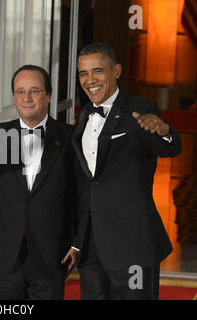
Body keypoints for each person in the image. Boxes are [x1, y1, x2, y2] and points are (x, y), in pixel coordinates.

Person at [71, 42, 182, 300]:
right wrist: (78, 240)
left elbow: (169, 148)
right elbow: (89, 184)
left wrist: (164, 131)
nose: (90, 80)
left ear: (116, 71)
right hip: (92, 247)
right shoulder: (85, 114)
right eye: (83, 73)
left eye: (97, 71)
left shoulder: (140, 109)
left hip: (133, 245)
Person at [0, 65, 78, 300]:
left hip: (51, 252)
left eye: (35, 91)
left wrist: (77, 242)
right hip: (5, 253)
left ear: (49, 95)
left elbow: (81, 195)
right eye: (20, 91)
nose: (27, 98)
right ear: (14, 96)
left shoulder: (71, 137)